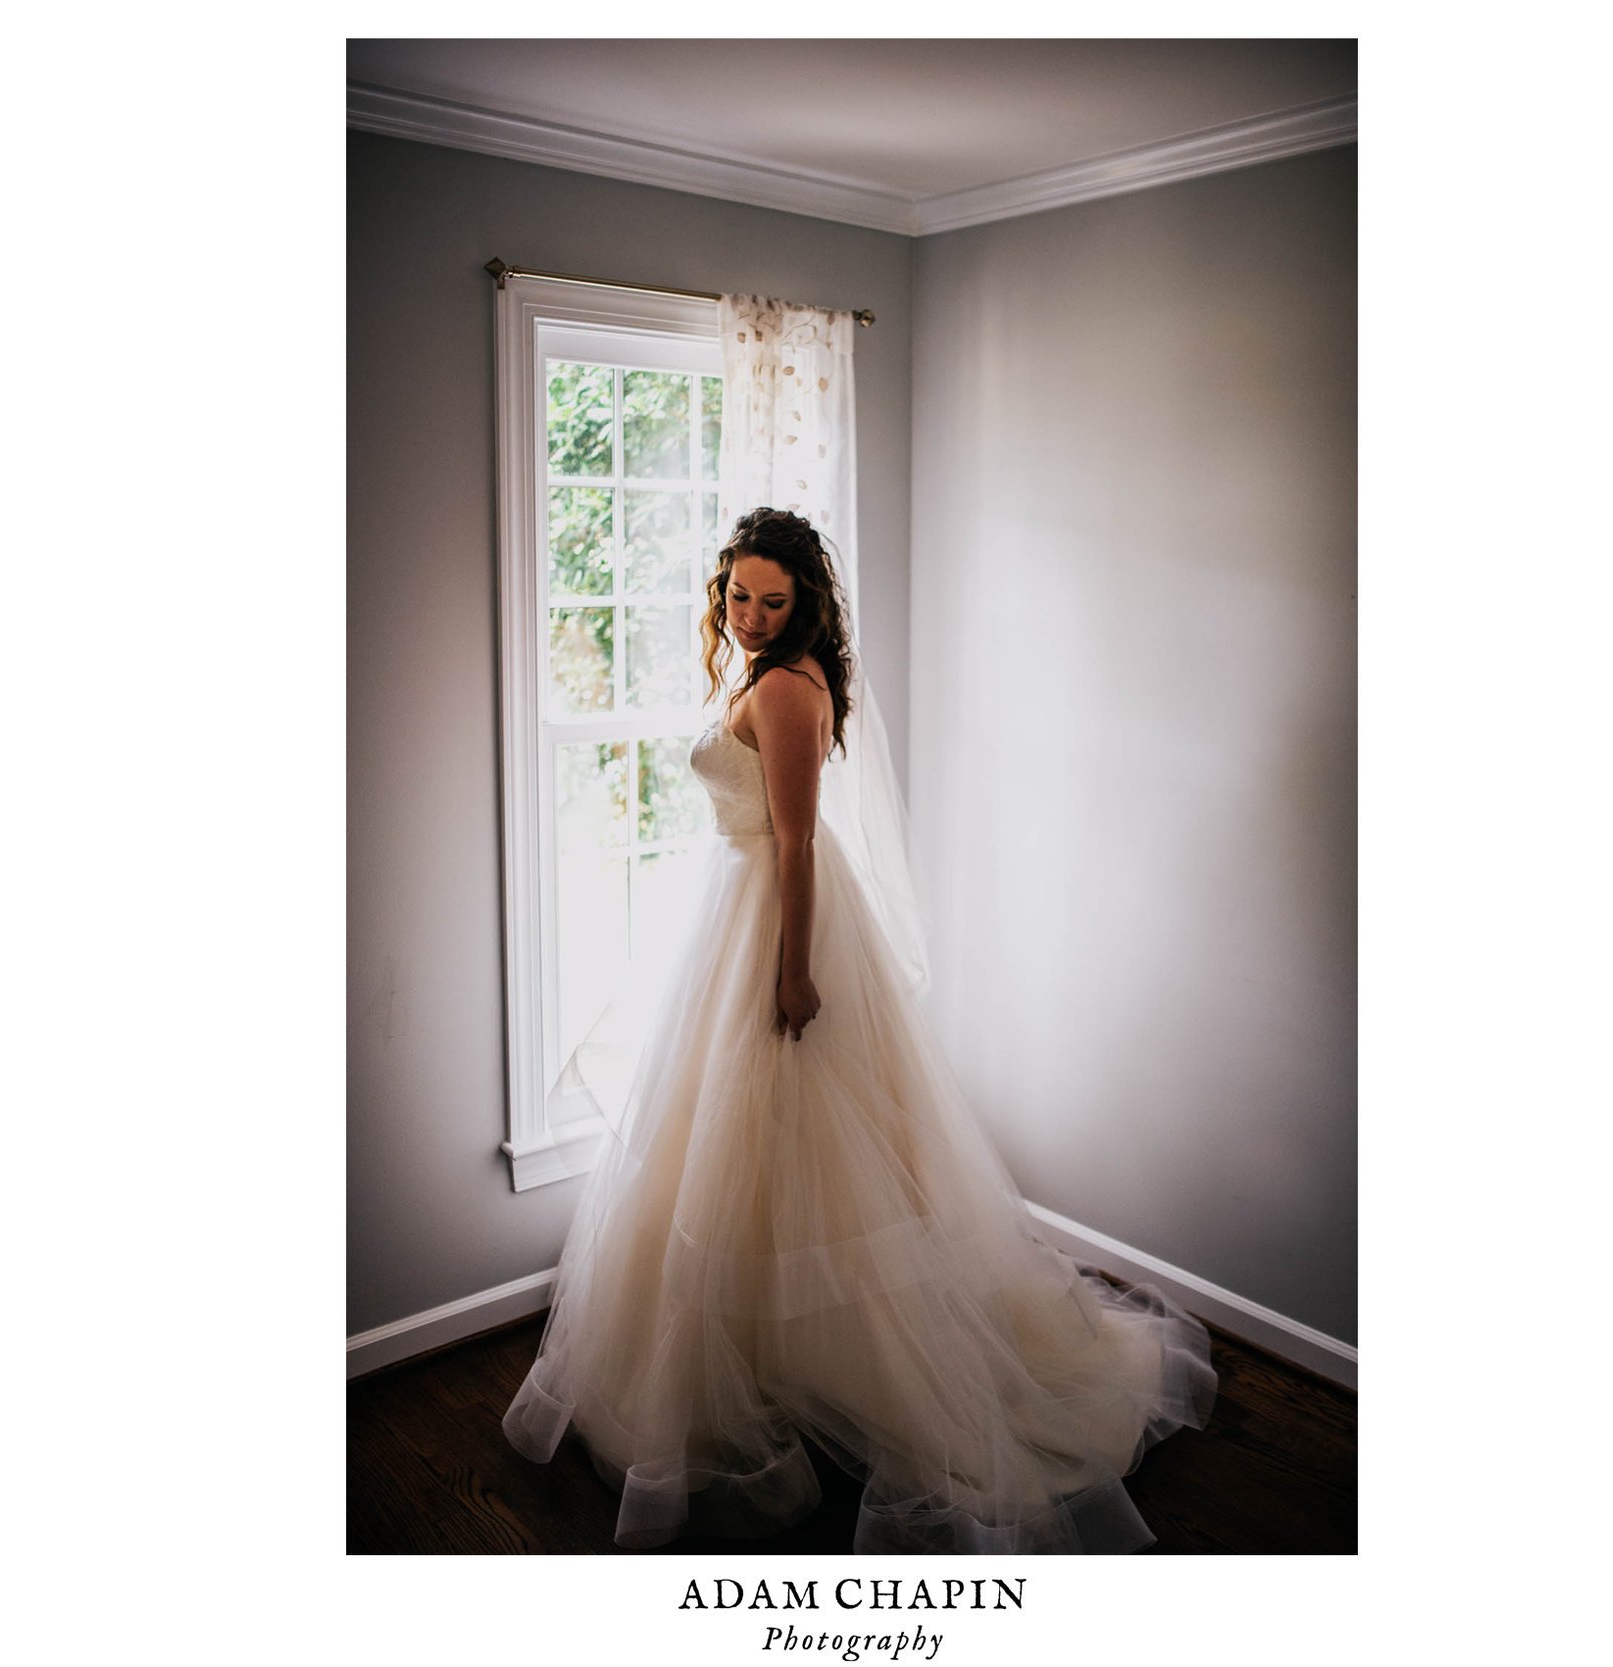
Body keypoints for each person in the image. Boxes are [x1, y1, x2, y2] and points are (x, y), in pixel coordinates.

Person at [502, 507, 1216, 1553]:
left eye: (772, 600)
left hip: (779, 923)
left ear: (807, 606)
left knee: (797, 1150)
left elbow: (794, 844)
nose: (749, 615)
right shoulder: (760, 671)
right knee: (741, 1158)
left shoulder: (789, 686)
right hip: (735, 906)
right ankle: (778, 1364)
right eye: (738, 595)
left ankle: (851, 1369)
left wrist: (792, 975)